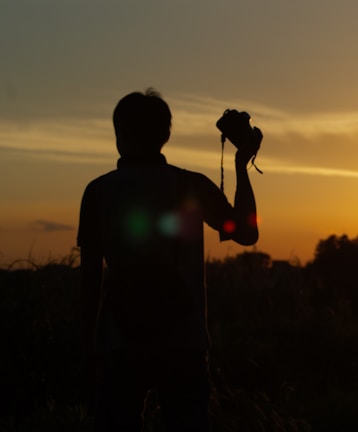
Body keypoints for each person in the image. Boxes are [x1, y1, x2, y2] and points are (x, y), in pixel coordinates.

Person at [78, 88, 260, 431]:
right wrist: (242, 165)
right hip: (184, 344)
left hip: (120, 343)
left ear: (120, 135)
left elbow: (90, 278)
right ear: (165, 135)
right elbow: (247, 234)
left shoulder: (98, 191)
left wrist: (88, 351)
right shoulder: (191, 185)